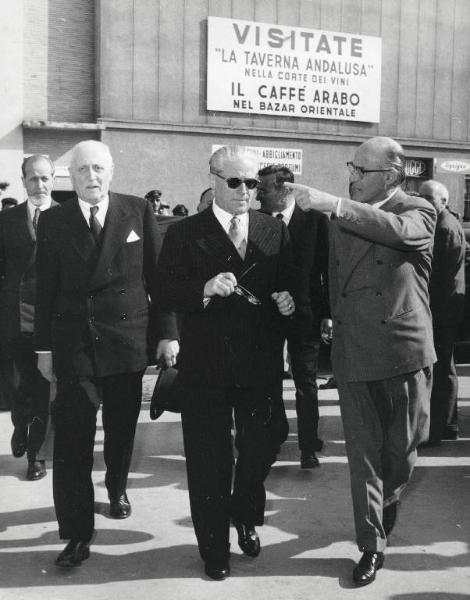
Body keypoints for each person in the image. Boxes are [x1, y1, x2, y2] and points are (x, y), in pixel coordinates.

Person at [285, 136, 436, 586]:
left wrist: (335, 204)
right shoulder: (342, 215)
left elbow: (398, 232)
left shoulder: (418, 209)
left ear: (389, 175)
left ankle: (387, 500)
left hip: (402, 353)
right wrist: (328, 314)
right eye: (352, 168)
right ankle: (370, 544)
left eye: (360, 171)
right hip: (353, 354)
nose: (351, 177)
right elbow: (332, 272)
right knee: (363, 460)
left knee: (401, 454)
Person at [155, 145, 295, 581]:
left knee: (268, 438)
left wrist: (289, 301)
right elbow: (164, 294)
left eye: (252, 184)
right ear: (215, 178)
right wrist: (204, 287)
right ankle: (214, 549)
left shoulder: (274, 231)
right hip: (207, 368)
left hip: (260, 365)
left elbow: (289, 285)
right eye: (235, 182)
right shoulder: (184, 233)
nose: (245, 191)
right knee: (208, 461)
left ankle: (244, 511)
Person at [34, 140, 162, 568]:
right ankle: (75, 532)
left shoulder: (137, 211)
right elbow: (43, 290)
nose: (92, 176)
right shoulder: (54, 221)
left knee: (122, 430)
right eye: (84, 169)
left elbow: (158, 280)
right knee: (72, 441)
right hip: (75, 347)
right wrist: (44, 348)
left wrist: (167, 335)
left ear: (112, 172)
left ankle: (117, 485)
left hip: (127, 343)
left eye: (99, 168)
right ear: (71, 176)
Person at [257, 164, 330, 469]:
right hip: (267, 316)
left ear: (284, 189)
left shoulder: (315, 221)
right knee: (269, 380)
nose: (257, 194)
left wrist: (327, 315)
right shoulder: (256, 221)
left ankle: (308, 446)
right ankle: (275, 438)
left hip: (306, 316)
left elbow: (328, 271)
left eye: (263, 189)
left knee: (306, 383)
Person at [0, 155, 57, 481]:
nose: (40, 185)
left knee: (41, 391)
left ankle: (36, 455)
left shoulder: (67, 218)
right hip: (14, 321)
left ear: (52, 179)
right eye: (33, 179)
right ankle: (20, 424)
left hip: (49, 322)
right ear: (23, 181)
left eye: (45, 178)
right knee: (18, 387)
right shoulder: (6, 220)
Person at [419, 180, 466, 445]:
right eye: (420, 195)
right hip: (442, 307)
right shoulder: (439, 223)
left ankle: (441, 427)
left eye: (428, 197)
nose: (423, 201)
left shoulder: (445, 227)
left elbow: (438, 276)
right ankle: (446, 425)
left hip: (442, 309)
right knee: (442, 365)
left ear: (443, 202)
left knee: (441, 366)